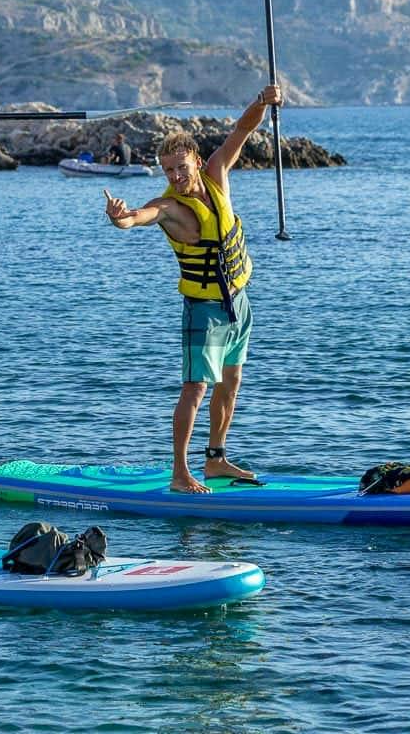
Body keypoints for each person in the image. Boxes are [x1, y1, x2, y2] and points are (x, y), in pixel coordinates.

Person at [103, 85, 283, 494]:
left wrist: (261, 101)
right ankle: (180, 473)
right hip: (203, 308)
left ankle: (215, 460)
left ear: (196, 162)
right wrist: (120, 218)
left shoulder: (216, 175)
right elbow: (140, 217)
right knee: (195, 387)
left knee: (230, 382)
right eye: (168, 170)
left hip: (237, 303)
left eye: (181, 167)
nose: (176, 177)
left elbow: (241, 131)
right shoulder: (171, 207)